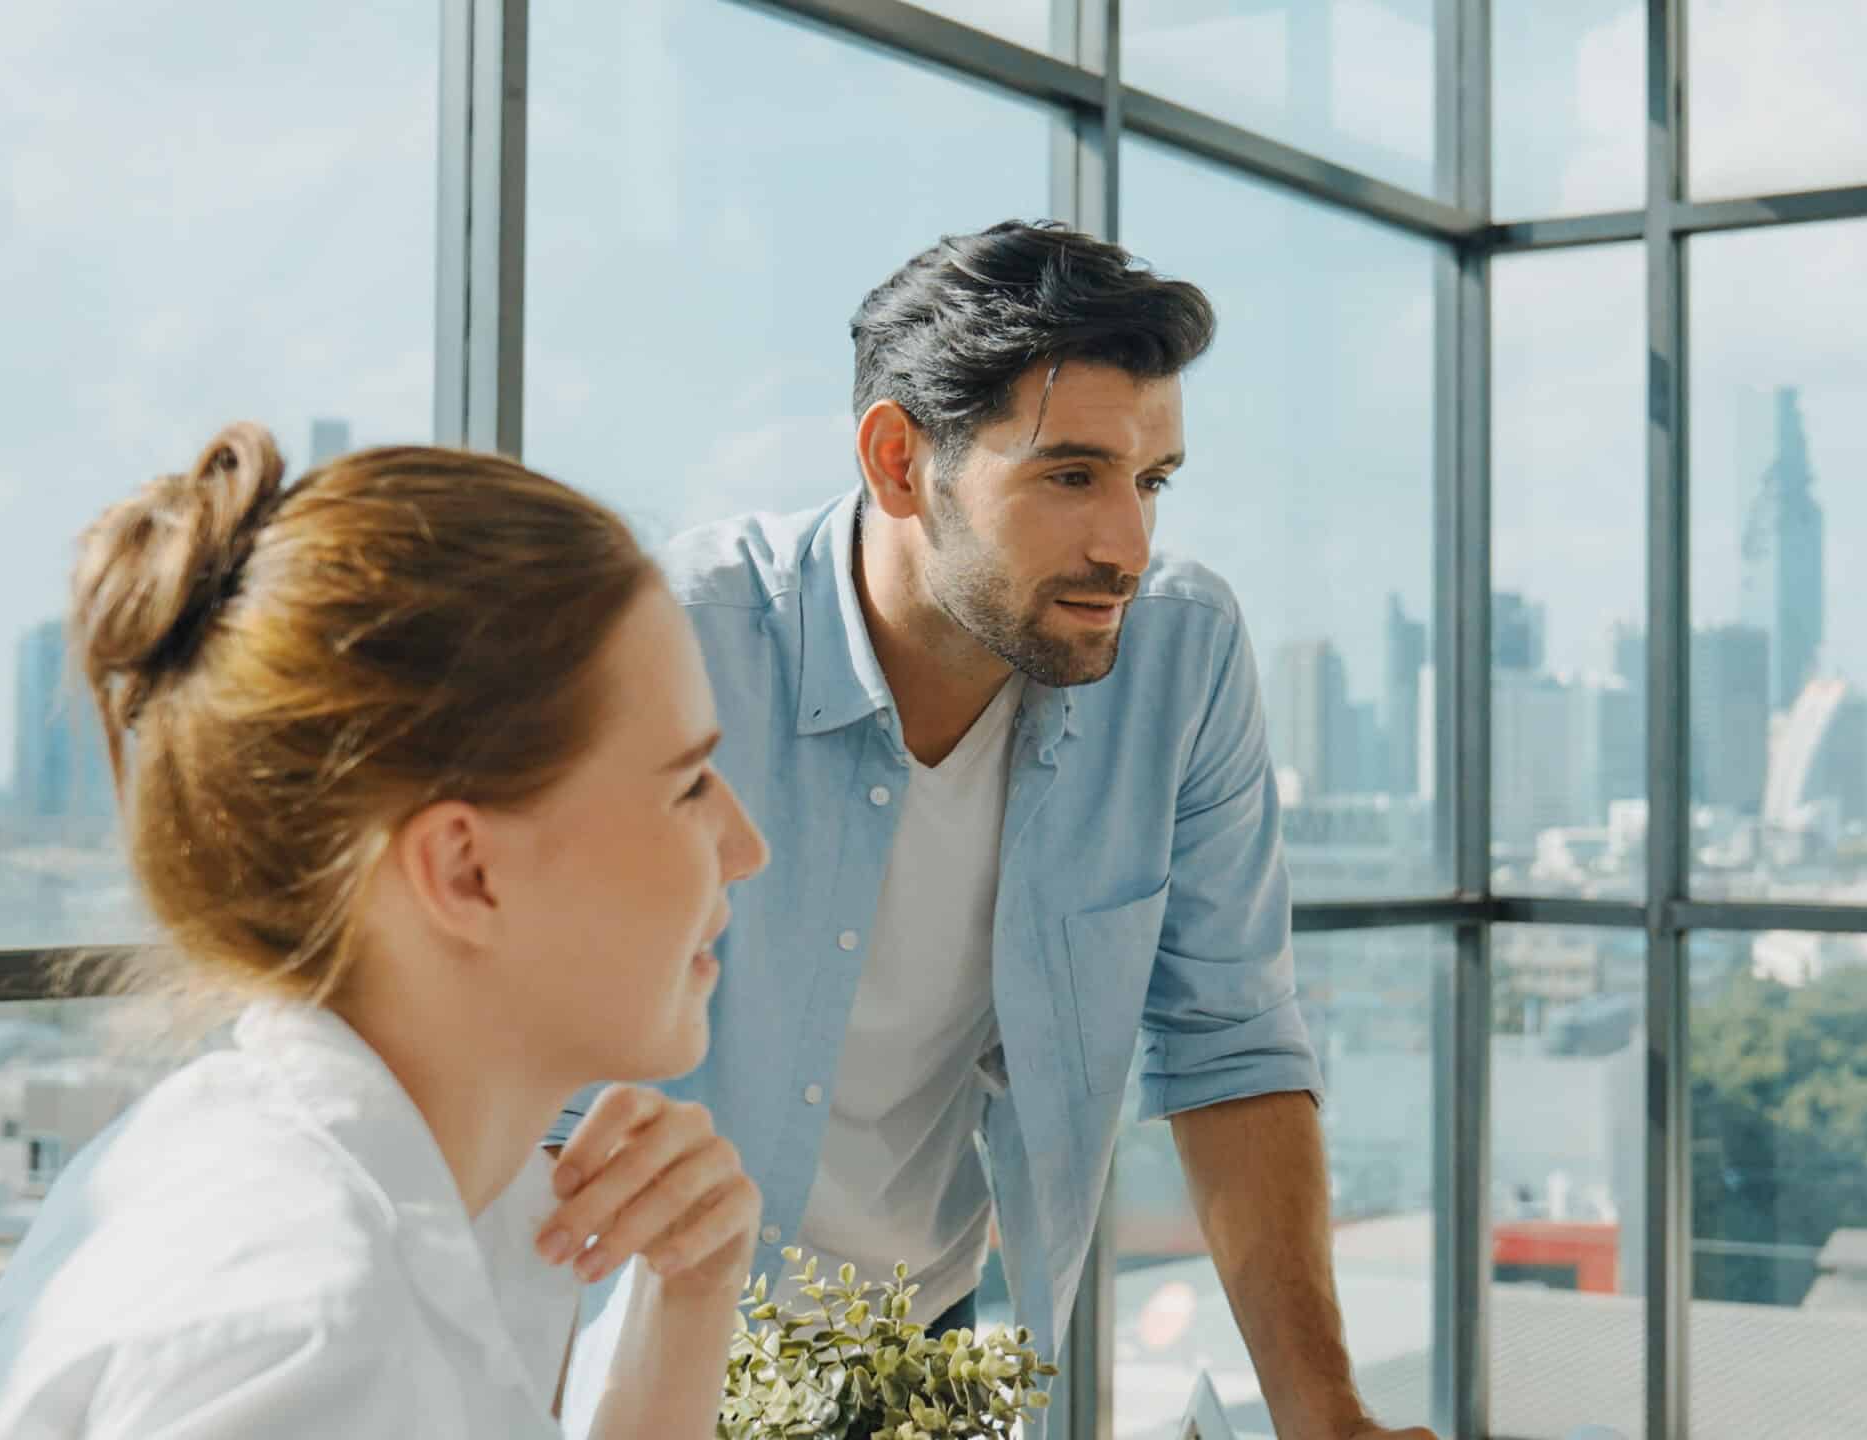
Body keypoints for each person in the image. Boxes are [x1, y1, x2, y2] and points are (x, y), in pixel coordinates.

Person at [551, 220, 1434, 1440]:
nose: (1127, 545)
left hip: (927, 1346)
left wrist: (1323, 1413)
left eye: (1152, 481)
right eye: (1070, 475)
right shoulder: (677, 647)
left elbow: (1227, 1044)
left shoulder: (1181, 656)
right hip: (635, 1352)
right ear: (898, 460)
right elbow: (532, 1074)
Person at [0, 425, 771, 1438]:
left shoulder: (327, 1185)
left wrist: (689, 1305)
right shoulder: (313, 1340)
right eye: (688, 784)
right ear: (464, 872)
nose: (744, 846)